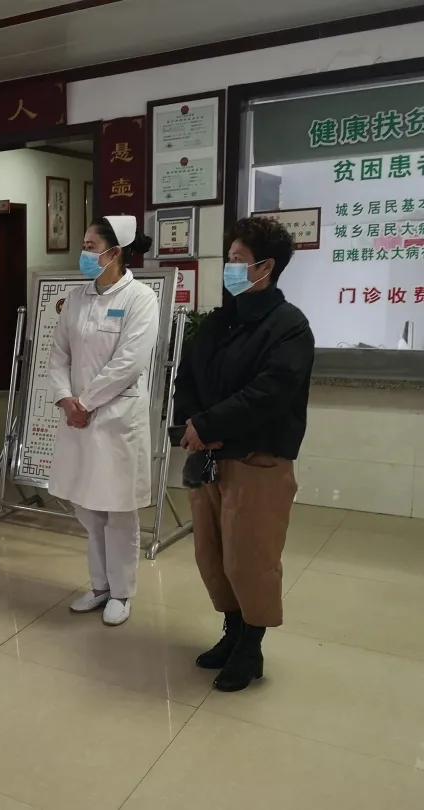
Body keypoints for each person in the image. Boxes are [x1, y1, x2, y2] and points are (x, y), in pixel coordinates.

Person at [174, 216, 314, 692]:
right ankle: (232, 632)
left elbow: (269, 393)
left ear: (266, 267)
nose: (230, 267)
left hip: (257, 461)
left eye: (239, 260)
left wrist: (209, 426)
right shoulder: (220, 320)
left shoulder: (289, 326)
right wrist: (192, 424)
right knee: (212, 555)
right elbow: (187, 376)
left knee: (250, 558)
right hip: (209, 459)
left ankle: (251, 647)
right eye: (230, 259)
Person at [47, 216, 158, 626]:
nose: (84, 253)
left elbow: (129, 362)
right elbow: (59, 354)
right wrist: (66, 399)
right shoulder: (76, 298)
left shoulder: (141, 298)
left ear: (115, 252)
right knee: (87, 507)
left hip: (115, 420)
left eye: (91, 246)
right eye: (84, 245)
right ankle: (99, 586)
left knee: (118, 509)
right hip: (78, 418)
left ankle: (122, 593)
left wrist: (86, 402)